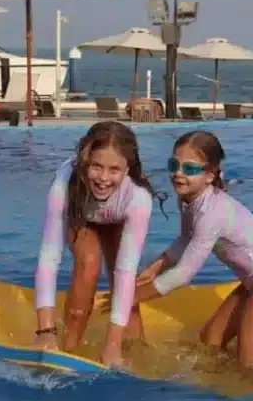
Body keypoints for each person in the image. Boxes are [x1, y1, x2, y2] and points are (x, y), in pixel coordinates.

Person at [116, 130, 253, 368]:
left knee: (248, 366)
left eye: (190, 169)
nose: (178, 174)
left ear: (210, 176)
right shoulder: (188, 199)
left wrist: (130, 298)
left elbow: (184, 274)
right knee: (209, 344)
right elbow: (184, 240)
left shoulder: (212, 212)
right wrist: (153, 270)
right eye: (174, 165)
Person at [34, 121, 165, 367]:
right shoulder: (65, 183)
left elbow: (125, 273)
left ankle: (133, 354)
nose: (104, 178)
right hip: (81, 214)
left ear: (128, 169)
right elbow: (49, 256)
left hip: (116, 218)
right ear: (84, 161)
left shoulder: (138, 197)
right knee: (88, 265)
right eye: (96, 166)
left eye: (114, 169)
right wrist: (45, 331)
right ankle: (68, 349)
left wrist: (112, 346)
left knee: (124, 286)